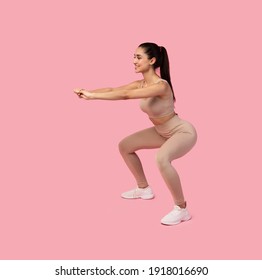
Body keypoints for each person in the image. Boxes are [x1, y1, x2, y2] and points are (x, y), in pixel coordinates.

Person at [74, 42, 197, 225]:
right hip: (161, 132)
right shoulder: (141, 84)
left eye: (138, 57)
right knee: (125, 146)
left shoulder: (161, 85)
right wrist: (88, 92)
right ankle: (144, 189)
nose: (134, 61)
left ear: (152, 60)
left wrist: (93, 97)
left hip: (182, 131)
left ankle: (182, 208)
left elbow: (125, 95)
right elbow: (114, 90)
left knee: (162, 158)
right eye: (134, 56)